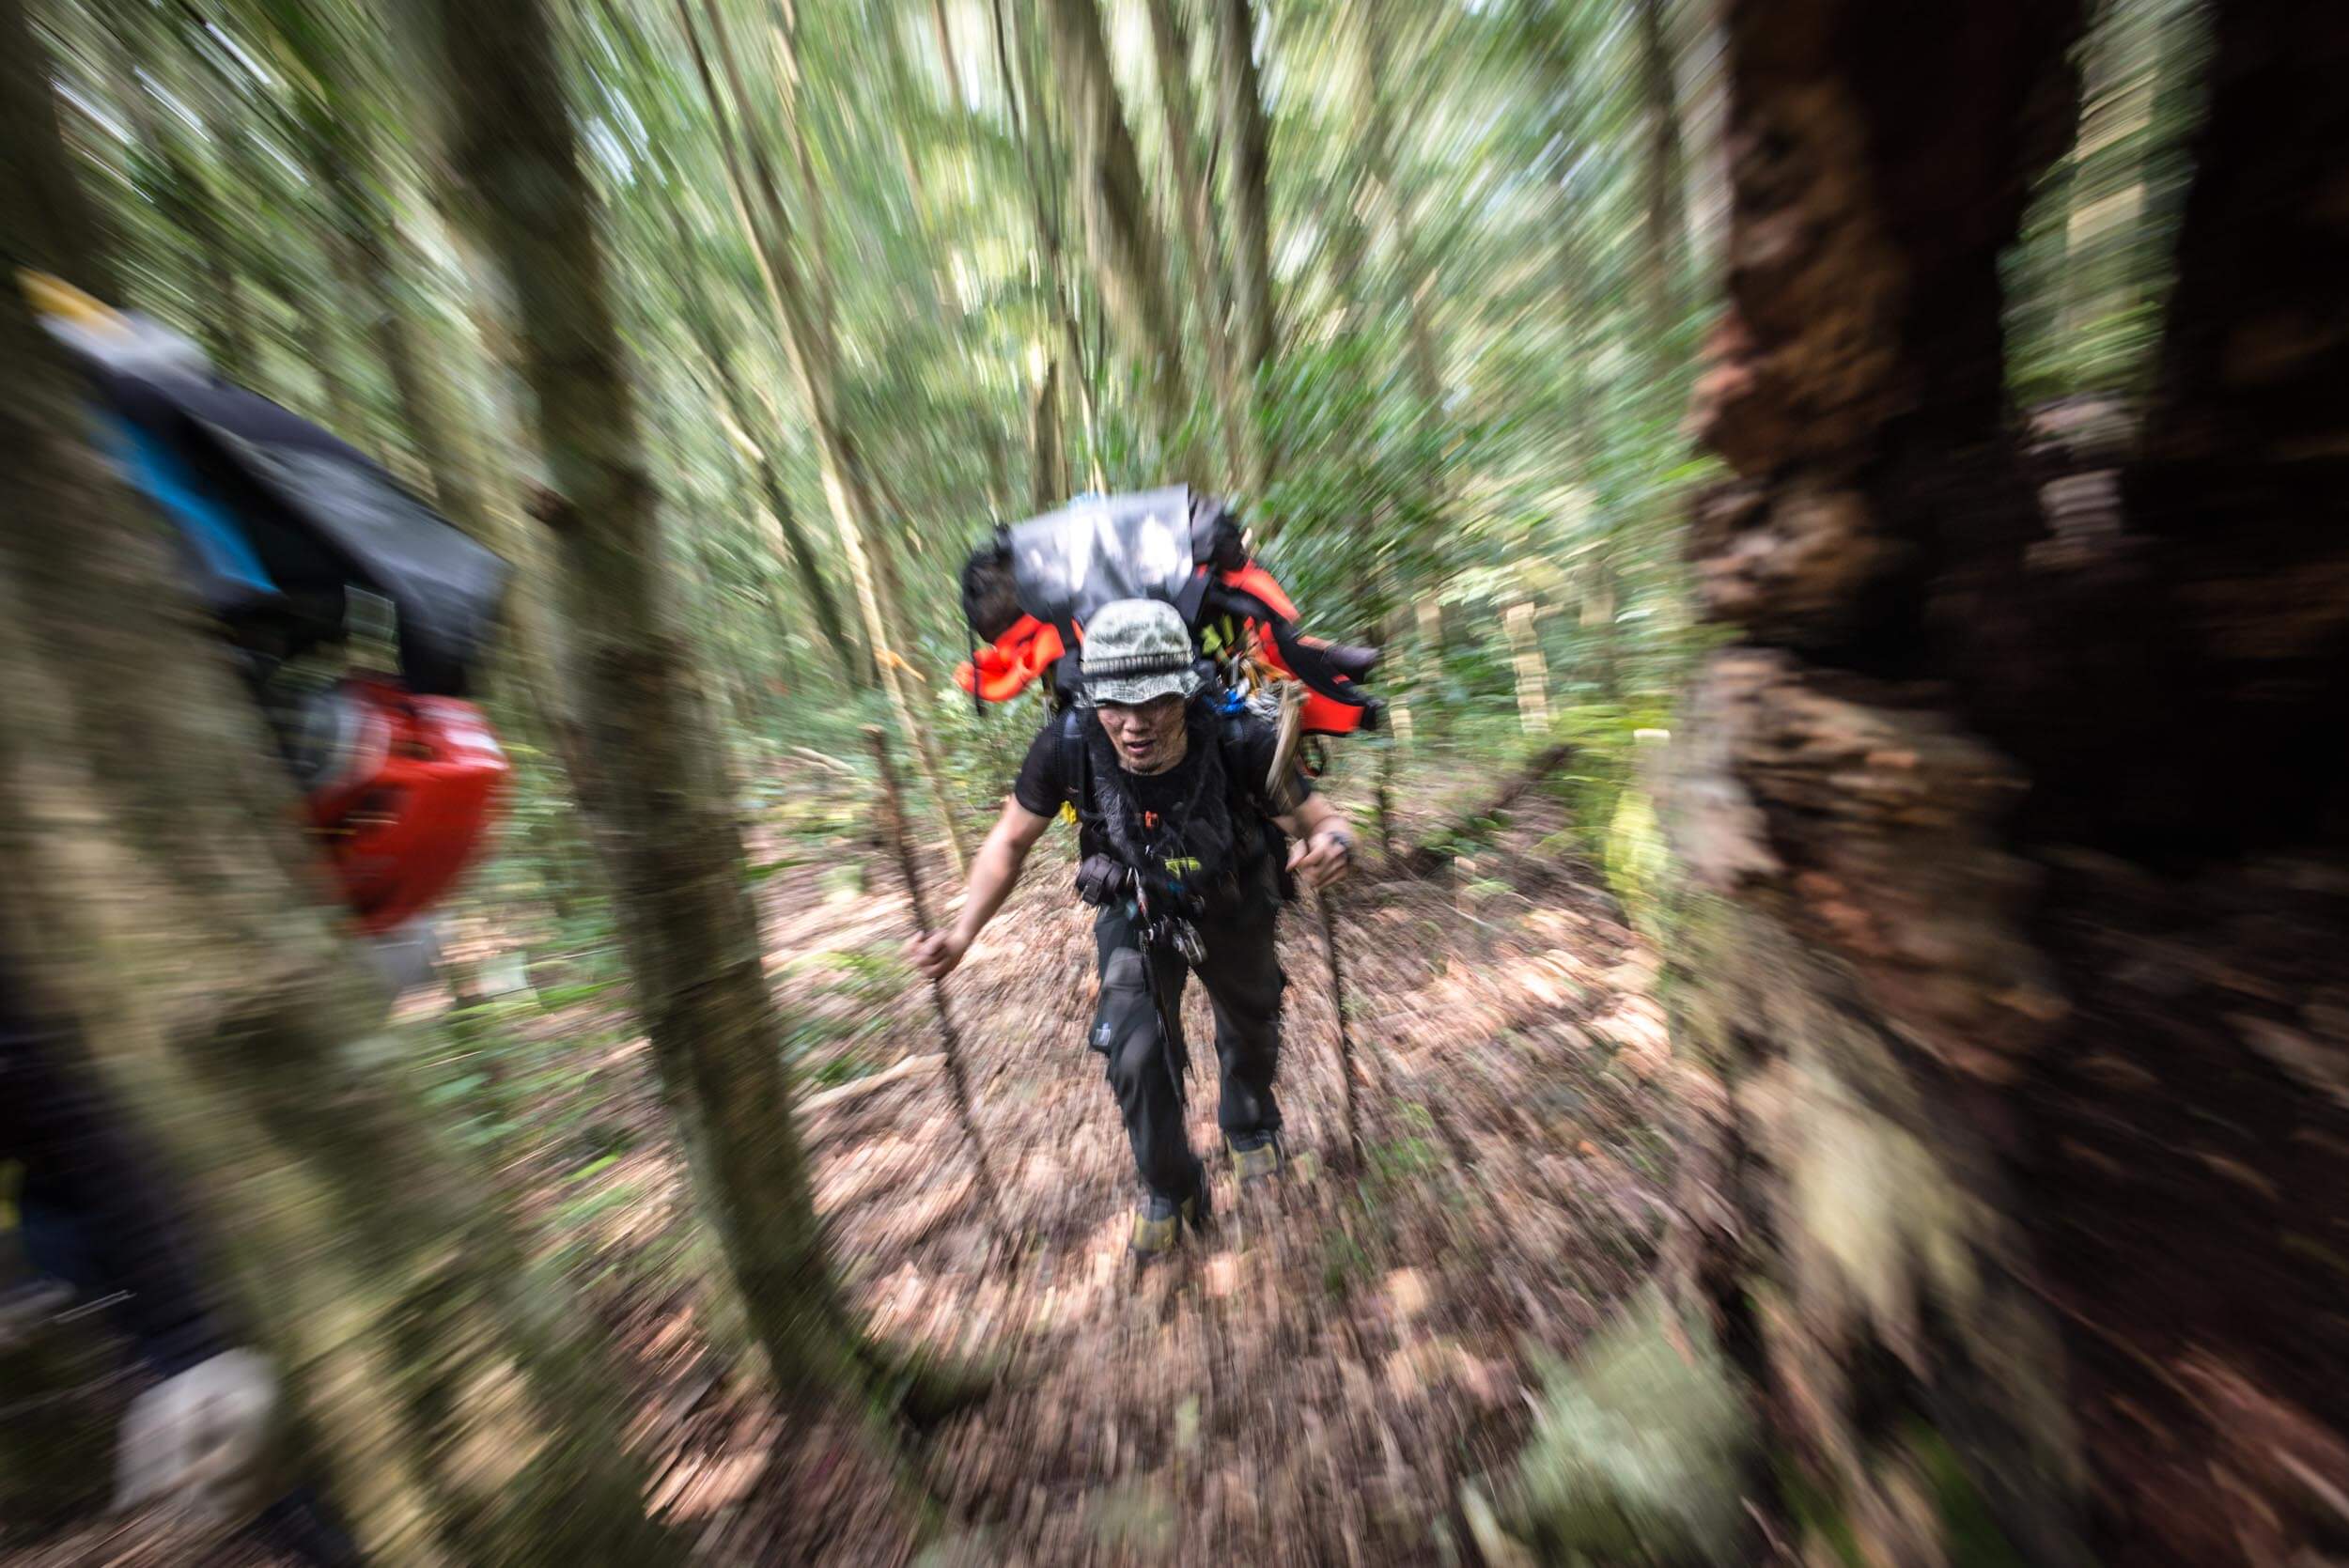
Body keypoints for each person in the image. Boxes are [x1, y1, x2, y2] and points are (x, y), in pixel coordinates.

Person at [910, 598, 1356, 1257]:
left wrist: (1335, 845)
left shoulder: (1238, 738)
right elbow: (1009, 840)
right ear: (1092, 697)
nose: (1134, 723)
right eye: (1115, 704)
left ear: (1187, 689)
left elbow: (1320, 819)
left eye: (1154, 702)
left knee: (1253, 1017)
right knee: (1134, 1049)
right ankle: (1170, 1185)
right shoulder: (1069, 743)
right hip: (1134, 904)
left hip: (1234, 891)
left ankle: (1248, 1123)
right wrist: (961, 933)